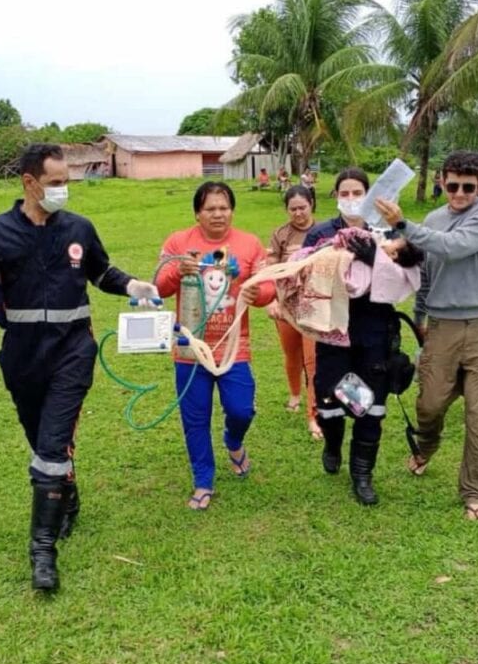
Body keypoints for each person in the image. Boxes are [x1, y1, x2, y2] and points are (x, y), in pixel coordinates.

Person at [0, 143, 160, 592]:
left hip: (73, 352)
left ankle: (42, 551)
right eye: (55, 184)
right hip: (22, 357)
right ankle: (67, 494)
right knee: (43, 446)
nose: (63, 191)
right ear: (29, 183)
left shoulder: (79, 228)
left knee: (52, 449)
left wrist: (132, 283)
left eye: (66, 183)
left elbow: (100, 271)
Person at [377, 150, 478, 521]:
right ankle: (426, 446)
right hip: (442, 325)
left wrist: (404, 226)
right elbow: (428, 266)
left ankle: (474, 493)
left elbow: (456, 247)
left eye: (469, 186)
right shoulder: (435, 219)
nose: (460, 193)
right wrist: (418, 314)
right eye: (453, 185)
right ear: (442, 181)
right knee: (429, 405)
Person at [303, 168, 423, 506]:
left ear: (369, 195)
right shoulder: (320, 232)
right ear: (336, 195)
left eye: (358, 192)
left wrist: (376, 257)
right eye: (345, 192)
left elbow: (411, 273)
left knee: (372, 402)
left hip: (375, 329)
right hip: (333, 330)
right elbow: (302, 274)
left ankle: (362, 474)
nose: (352, 198)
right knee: (330, 397)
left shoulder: (386, 232)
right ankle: (332, 443)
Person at [155, 182, 276, 511]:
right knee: (195, 418)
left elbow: (268, 287)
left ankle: (233, 441)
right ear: (198, 213)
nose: (218, 214)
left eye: (224, 207)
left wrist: (259, 295)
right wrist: (177, 272)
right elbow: (159, 287)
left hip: (234, 347)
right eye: (210, 208)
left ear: (232, 211)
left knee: (241, 409)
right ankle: (203, 481)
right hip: (190, 347)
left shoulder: (249, 244)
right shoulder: (179, 242)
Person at [267, 186, 322, 440]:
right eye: (293, 209)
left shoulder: (324, 232)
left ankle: (313, 415)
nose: (298, 213)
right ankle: (294, 395)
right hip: (287, 308)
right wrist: (273, 301)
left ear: (311, 204)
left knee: (312, 363)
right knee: (292, 355)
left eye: (303, 207)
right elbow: (271, 272)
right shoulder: (280, 235)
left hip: (315, 309)